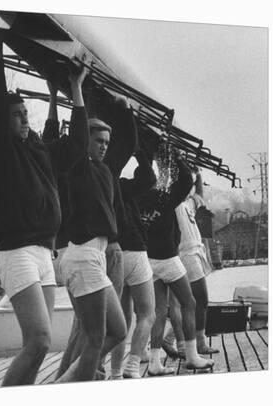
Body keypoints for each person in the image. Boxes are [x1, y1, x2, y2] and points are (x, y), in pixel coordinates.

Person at [0, 34, 88, 386]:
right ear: (4, 122)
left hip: (44, 254)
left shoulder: (39, 151)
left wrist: (75, 89)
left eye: (26, 114)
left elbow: (77, 146)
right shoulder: (0, 154)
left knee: (40, 346)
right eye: (17, 116)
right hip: (17, 254)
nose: (24, 120)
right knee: (39, 340)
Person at [54, 101, 127, 382]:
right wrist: (78, 94)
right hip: (82, 256)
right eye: (98, 140)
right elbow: (76, 136)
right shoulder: (76, 168)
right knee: (95, 337)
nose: (104, 146)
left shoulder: (104, 171)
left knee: (118, 331)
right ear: (85, 141)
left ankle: (64, 383)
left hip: (96, 257)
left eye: (107, 141)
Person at [137, 151, 214, 376]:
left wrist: (145, 156)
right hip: (169, 258)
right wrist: (173, 154)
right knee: (189, 303)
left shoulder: (136, 199)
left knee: (159, 311)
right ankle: (192, 355)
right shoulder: (164, 198)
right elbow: (185, 181)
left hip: (148, 261)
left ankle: (153, 361)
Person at [108, 146, 158, 379]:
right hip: (135, 252)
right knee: (148, 314)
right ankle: (132, 366)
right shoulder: (122, 187)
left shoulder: (96, 181)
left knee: (123, 320)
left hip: (112, 254)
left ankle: (116, 372)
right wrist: (139, 151)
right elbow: (148, 178)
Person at [162, 168, 219, 358]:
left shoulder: (187, 203)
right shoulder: (175, 202)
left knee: (188, 303)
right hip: (186, 254)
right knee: (199, 300)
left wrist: (200, 176)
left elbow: (199, 196)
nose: (192, 187)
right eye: (190, 183)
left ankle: (171, 339)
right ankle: (200, 343)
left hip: (195, 252)